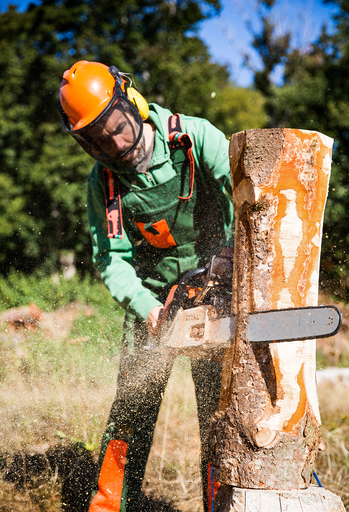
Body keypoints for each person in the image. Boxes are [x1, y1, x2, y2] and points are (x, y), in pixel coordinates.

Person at [58, 60, 234, 511]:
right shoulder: (106, 183)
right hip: (154, 302)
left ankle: (224, 504)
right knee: (130, 413)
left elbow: (245, 198)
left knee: (219, 417)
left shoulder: (194, 139)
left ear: (130, 101)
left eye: (117, 126)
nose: (116, 143)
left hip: (217, 297)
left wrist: (230, 262)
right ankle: (111, 505)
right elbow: (111, 259)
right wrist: (148, 308)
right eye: (99, 139)